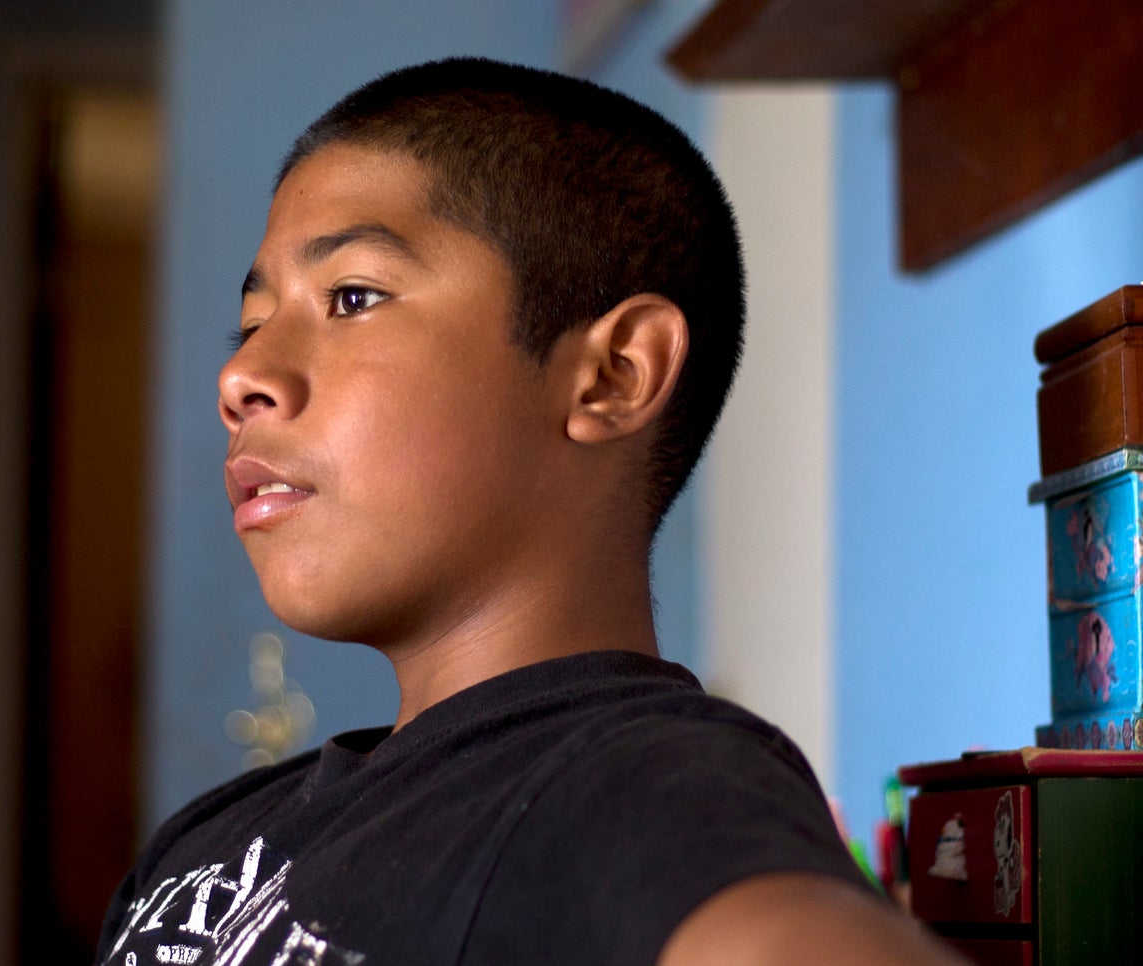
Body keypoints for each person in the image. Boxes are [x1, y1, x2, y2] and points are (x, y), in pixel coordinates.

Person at [96, 57, 962, 965]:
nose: (243, 377)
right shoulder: (207, 845)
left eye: (353, 298)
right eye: (253, 323)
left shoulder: (631, 786)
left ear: (612, 376)